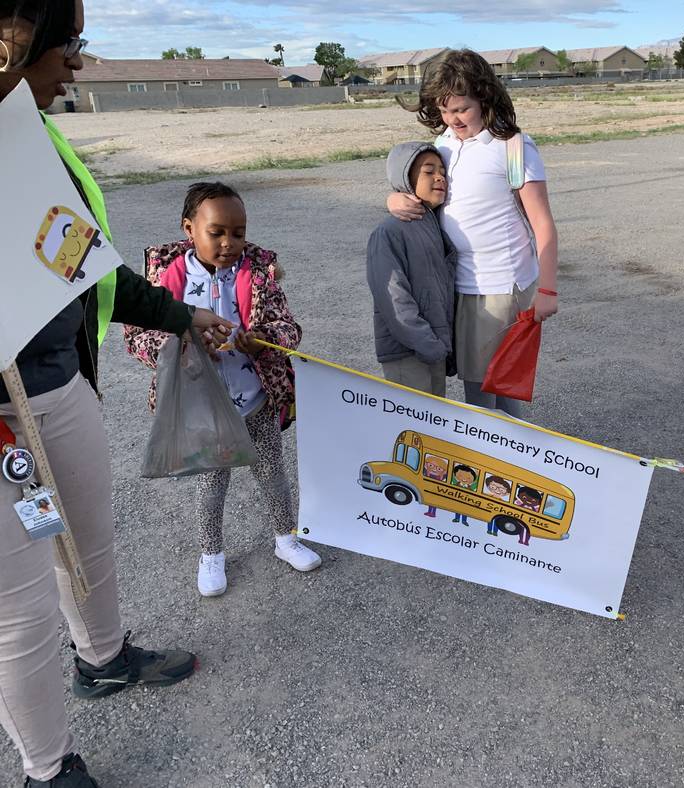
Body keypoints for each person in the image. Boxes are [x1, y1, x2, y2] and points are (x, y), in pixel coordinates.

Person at [0, 2, 233, 785]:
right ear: (14, 43)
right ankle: (46, 767)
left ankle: (101, 660)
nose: (77, 63)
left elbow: (78, 259)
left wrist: (184, 314)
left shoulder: (27, 136)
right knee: (21, 609)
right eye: (68, 45)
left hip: (58, 387)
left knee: (87, 539)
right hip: (3, 426)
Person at [125, 182, 321, 598]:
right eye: (217, 232)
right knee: (212, 482)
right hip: (204, 408)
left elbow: (289, 327)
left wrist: (264, 337)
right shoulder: (166, 280)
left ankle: (286, 538)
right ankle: (211, 554)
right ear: (189, 228)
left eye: (239, 232)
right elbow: (137, 339)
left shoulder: (258, 273)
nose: (229, 243)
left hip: (256, 400)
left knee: (273, 474)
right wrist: (183, 347)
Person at [387, 49, 559, 418]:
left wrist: (547, 290)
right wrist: (393, 200)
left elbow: (542, 223)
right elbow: (419, 189)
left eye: (461, 109)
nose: (453, 119)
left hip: (499, 286)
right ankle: (507, 464)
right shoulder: (444, 144)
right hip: (456, 285)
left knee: (486, 393)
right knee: (487, 386)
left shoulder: (513, 147)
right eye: (445, 110)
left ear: (483, 96)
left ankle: (500, 466)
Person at [367, 142, 457, 397]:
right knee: (410, 431)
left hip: (433, 348)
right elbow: (394, 297)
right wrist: (426, 342)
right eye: (429, 171)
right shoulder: (390, 232)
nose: (439, 177)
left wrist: (439, 345)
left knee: (431, 429)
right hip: (407, 351)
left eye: (442, 171)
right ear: (406, 178)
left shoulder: (432, 223)